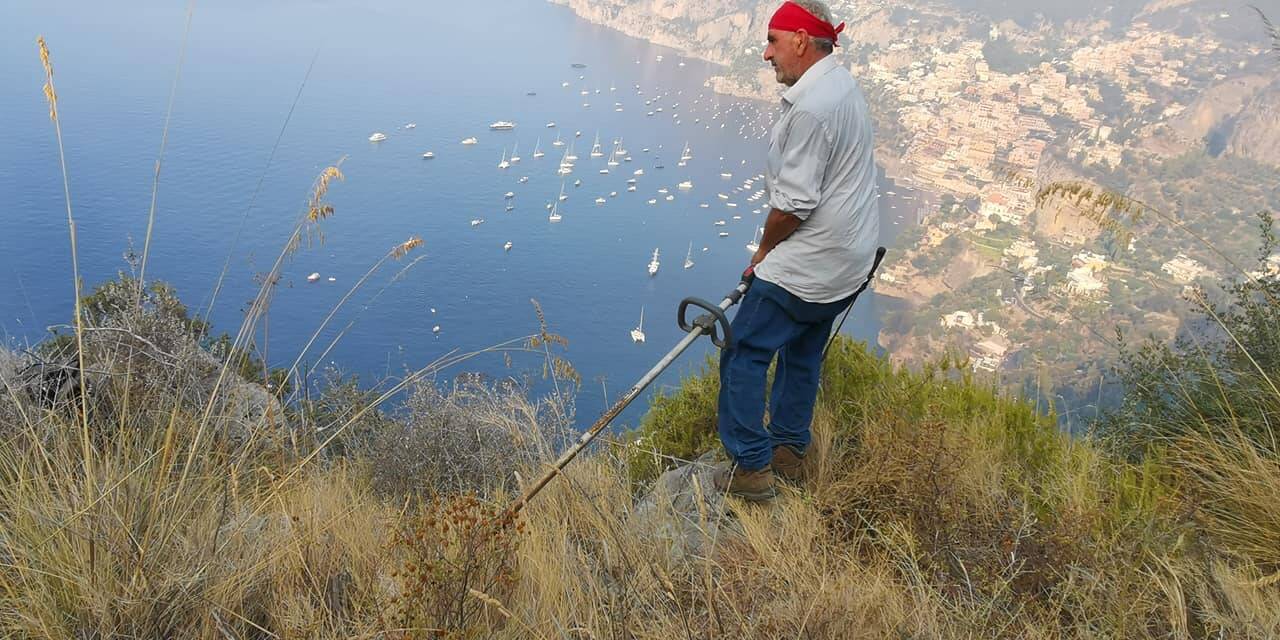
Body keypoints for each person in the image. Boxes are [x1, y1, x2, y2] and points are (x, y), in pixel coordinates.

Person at [713, 0, 880, 501]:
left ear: (802, 41)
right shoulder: (842, 85)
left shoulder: (811, 108)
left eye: (773, 41)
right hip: (847, 264)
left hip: (808, 264)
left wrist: (763, 250)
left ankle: (751, 467)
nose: (766, 54)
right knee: (802, 353)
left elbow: (794, 206)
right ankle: (789, 452)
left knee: (743, 352)